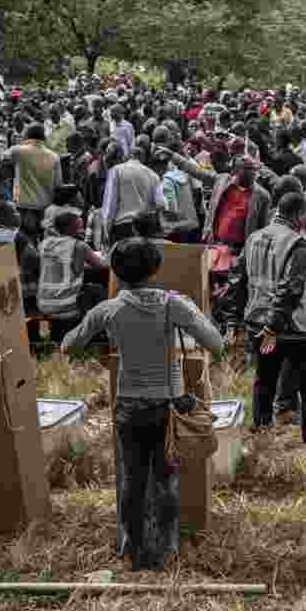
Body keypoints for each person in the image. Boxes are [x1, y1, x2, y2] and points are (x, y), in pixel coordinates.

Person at [61, 237, 225, 570]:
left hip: (129, 406)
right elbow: (216, 342)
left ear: (117, 273)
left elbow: (68, 345)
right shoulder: (172, 305)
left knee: (132, 480)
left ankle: (133, 552)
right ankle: (168, 550)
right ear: (155, 269)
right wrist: (188, 310)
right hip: (168, 406)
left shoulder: (109, 310)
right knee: (166, 480)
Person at [236, 191, 306, 443]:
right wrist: (274, 325)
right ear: (298, 215)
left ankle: (261, 428)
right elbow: (291, 288)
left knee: (265, 378)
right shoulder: (296, 244)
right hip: (290, 327)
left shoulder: (254, 237)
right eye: (304, 215)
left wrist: (241, 320)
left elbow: (240, 279)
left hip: (257, 320)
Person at [37, 212, 108, 326]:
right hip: (66, 305)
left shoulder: (44, 244)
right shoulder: (79, 246)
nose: (83, 231)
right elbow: (102, 265)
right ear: (69, 228)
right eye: (79, 227)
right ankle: (97, 329)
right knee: (99, 290)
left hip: (43, 304)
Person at [0, 123, 63, 243]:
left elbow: (1, 158)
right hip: (45, 207)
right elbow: (58, 184)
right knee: (43, 242)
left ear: (27, 136)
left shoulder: (17, 150)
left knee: (26, 242)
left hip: (23, 206)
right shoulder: (54, 156)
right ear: (43, 137)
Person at [101, 144, 161, 245]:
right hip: (145, 230)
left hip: (121, 229)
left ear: (128, 156)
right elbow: (161, 204)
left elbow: (110, 204)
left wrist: (106, 231)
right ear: (144, 158)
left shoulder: (116, 170)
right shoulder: (153, 175)